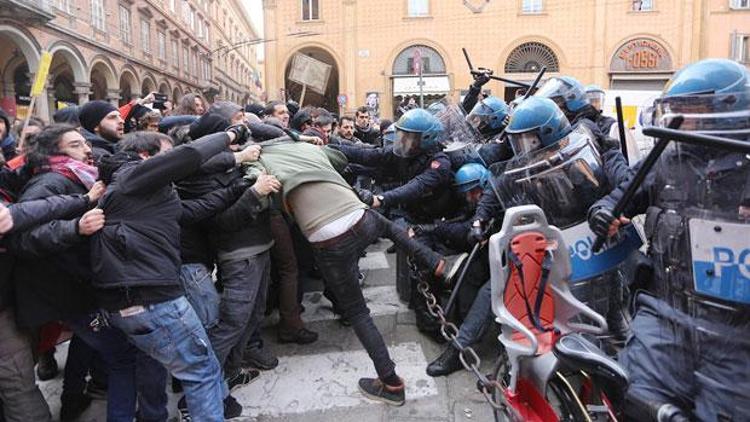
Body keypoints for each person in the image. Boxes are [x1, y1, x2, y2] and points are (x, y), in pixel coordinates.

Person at [588, 58, 750, 421]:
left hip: (738, 337)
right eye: (674, 111)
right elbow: (617, 198)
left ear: (726, 109)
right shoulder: (665, 161)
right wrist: (602, 215)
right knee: (631, 399)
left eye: (689, 111)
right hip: (665, 316)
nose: (678, 120)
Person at [243, 134, 448, 406]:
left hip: (327, 238)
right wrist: (312, 146)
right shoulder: (305, 146)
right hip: (359, 216)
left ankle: (391, 382)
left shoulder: (256, 159)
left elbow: (260, 193)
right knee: (388, 227)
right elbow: (340, 159)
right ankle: (435, 262)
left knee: (359, 313)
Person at [92, 126, 251, 421]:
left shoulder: (144, 192)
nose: (172, 162)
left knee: (188, 367)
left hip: (134, 300)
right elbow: (190, 155)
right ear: (146, 157)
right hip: (153, 300)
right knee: (200, 372)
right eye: (167, 155)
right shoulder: (132, 177)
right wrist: (232, 134)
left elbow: (189, 212)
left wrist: (237, 190)